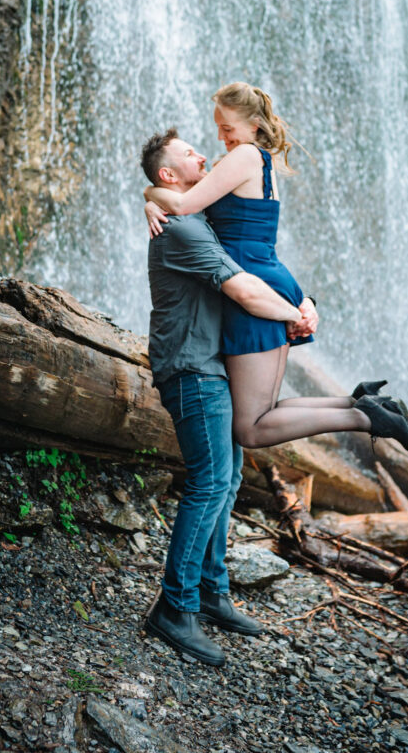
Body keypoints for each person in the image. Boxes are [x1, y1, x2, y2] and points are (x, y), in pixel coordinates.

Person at [143, 82, 408, 453]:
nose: (221, 138)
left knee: (251, 429)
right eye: (218, 127)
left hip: (250, 287)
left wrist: (150, 196)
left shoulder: (244, 157)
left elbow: (184, 203)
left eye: (227, 128)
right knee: (264, 411)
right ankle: (360, 402)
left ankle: (366, 418)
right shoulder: (256, 161)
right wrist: (152, 195)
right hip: (268, 275)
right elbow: (178, 190)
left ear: (253, 124)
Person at [140, 127, 315, 668]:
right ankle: (175, 608)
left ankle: (212, 593)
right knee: (211, 480)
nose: (204, 154)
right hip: (191, 370)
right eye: (191, 153)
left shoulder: (196, 216)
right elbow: (241, 288)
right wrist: (296, 314)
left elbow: (254, 256)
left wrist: (305, 299)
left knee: (229, 478)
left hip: (211, 365)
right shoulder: (186, 230)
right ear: (172, 175)